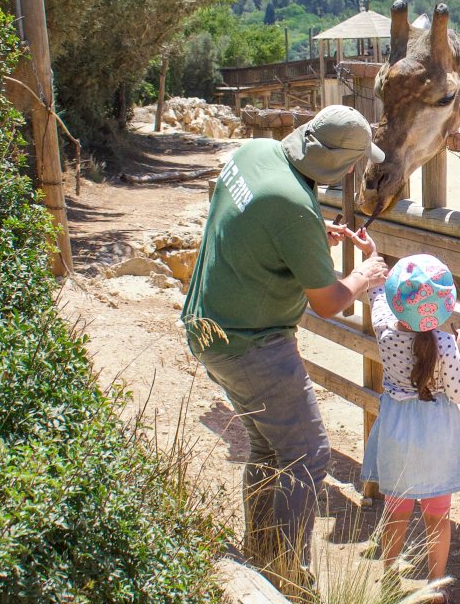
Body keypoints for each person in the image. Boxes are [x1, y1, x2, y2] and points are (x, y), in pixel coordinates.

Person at [182, 105, 390, 595]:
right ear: (338, 164)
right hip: (251, 344)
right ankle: (288, 574)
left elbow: (259, 221)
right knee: (307, 455)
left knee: (268, 447)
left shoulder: (255, 153)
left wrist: (311, 234)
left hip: (209, 326)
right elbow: (328, 301)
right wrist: (364, 275)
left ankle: (261, 556)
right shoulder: (294, 207)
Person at [361, 253, 460, 603]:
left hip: (397, 431)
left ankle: (389, 577)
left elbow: (377, 296)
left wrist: (371, 253)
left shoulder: (385, 332)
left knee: (395, 511)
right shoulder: (446, 344)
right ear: (442, 306)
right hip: (437, 436)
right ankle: (436, 586)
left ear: (398, 303)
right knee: (437, 516)